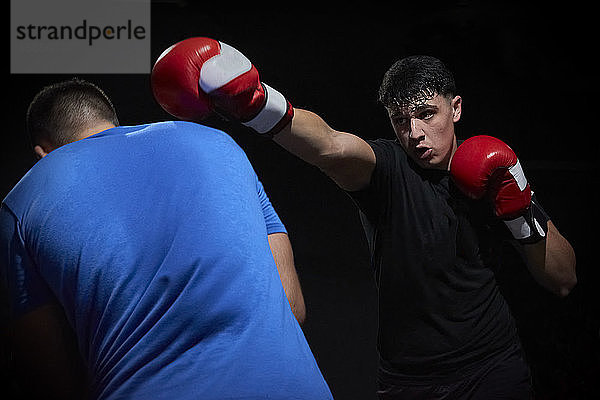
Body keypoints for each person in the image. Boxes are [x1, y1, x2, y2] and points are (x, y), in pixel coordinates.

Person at [151, 37, 577, 399]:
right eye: (401, 121)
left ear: (456, 109)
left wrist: (520, 209)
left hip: (493, 367)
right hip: (408, 381)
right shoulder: (387, 170)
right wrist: (254, 103)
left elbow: (563, 279)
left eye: (427, 114)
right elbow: (330, 146)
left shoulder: (496, 174)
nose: (415, 133)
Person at [0, 78, 334, 400]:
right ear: (113, 123)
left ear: (44, 153)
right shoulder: (219, 143)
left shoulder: (23, 200)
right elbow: (291, 306)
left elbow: (50, 377)